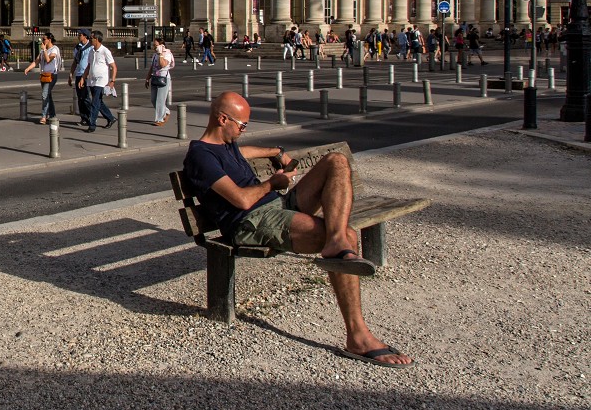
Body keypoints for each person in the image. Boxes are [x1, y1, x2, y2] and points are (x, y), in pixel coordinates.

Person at [182, 92, 414, 367]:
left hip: (276, 205)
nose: (244, 130)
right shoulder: (200, 155)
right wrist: (272, 183)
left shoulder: (226, 144)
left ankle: (336, 240)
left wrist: (275, 152)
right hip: (251, 220)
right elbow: (241, 200)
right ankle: (358, 336)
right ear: (222, 119)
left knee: (336, 161)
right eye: (242, 125)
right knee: (351, 236)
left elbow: (243, 153)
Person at [82, 30, 117, 132]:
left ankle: (92, 124)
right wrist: (83, 78)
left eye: (91, 38)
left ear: (96, 39)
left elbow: (114, 67)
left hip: (101, 81)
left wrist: (112, 81)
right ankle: (111, 118)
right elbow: (88, 66)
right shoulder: (91, 51)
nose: (90, 40)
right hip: (92, 80)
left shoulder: (105, 51)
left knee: (95, 102)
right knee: (99, 102)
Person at [23, 31, 61, 124]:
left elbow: (48, 60)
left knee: (44, 95)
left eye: (44, 39)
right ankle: (52, 115)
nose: (42, 41)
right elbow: (36, 61)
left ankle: (44, 116)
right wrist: (28, 68)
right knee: (48, 96)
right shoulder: (42, 51)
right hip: (44, 75)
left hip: (51, 75)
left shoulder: (54, 49)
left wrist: (44, 50)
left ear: (49, 40)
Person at [145, 34, 174, 126]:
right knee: (153, 100)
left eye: (156, 45)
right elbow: (152, 67)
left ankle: (159, 119)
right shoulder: (154, 55)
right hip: (154, 77)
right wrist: (147, 78)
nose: (154, 47)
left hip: (163, 78)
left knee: (160, 100)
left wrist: (161, 54)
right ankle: (166, 111)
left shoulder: (167, 53)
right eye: (154, 45)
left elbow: (163, 65)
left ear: (162, 46)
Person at [70, 30, 93, 126]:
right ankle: (83, 118)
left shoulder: (91, 47)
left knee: (86, 98)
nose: (78, 36)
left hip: (86, 75)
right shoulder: (77, 47)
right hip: (79, 74)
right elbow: (75, 62)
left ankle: (91, 117)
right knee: (80, 98)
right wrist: (71, 74)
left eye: (80, 35)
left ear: (85, 36)